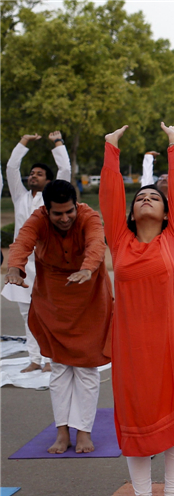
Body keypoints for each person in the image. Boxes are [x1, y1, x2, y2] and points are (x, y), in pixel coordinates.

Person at [101, 122, 174, 496]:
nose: (145, 199)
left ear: (165, 210)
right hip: (131, 347)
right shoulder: (119, 241)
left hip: (172, 344)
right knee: (135, 422)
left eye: (153, 197)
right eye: (140, 196)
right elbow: (108, 200)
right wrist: (111, 150)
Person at [5, 179, 113, 454]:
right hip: (52, 300)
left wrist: (88, 270)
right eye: (57, 214)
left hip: (89, 298)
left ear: (76, 206)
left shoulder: (89, 216)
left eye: (69, 212)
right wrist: (15, 269)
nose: (65, 218)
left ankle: (84, 431)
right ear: (46, 210)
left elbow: (96, 245)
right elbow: (21, 244)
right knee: (61, 368)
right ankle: (62, 431)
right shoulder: (37, 220)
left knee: (88, 368)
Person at [2, 131, 71, 373]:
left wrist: (58, 143)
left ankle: (52, 358)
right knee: (27, 314)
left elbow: (65, 172)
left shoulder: (52, 199)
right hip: (21, 265)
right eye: (32, 173)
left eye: (39, 174)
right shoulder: (20, 197)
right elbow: (12, 168)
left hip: (47, 263)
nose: (33, 176)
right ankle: (35, 359)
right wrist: (22, 142)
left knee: (48, 313)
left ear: (48, 181)